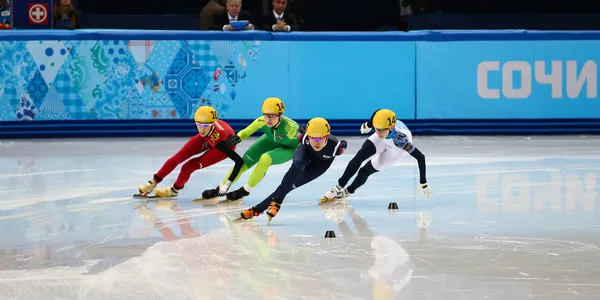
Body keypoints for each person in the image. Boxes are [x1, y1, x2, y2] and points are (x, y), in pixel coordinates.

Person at [236, 117, 347, 222]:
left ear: (327, 136)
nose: (316, 142)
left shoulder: (337, 148)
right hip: (306, 152)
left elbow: (343, 145)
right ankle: (276, 202)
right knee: (297, 166)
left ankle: (257, 210)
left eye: (319, 138)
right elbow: (301, 129)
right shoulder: (302, 137)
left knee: (291, 185)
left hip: (320, 164)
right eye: (312, 138)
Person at [201, 97, 300, 201]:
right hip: (270, 140)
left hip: (289, 148)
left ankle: (245, 190)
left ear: (280, 115)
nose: (268, 119)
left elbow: (306, 143)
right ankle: (220, 188)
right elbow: (246, 131)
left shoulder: (291, 128)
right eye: (266, 115)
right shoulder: (262, 121)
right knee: (243, 163)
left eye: (272, 116)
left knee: (265, 159)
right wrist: (237, 138)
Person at [322, 109, 432, 201]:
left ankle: (349, 190)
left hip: (395, 151)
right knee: (359, 157)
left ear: (391, 127)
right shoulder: (381, 124)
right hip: (385, 139)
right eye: (377, 129)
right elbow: (378, 112)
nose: (378, 133)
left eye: (381, 130)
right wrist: (369, 124)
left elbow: (420, 157)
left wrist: (423, 182)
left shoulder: (401, 140)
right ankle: (339, 186)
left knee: (364, 171)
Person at [136, 106, 244, 198]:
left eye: (205, 126)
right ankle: (152, 183)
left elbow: (239, 162)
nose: (201, 129)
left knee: (188, 167)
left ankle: (174, 190)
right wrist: (154, 181)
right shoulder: (206, 130)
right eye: (199, 125)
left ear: (212, 124)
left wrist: (227, 184)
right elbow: (176, 159)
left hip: (221, 147)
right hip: (209, 138)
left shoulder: (221, 141)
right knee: (177, 158)